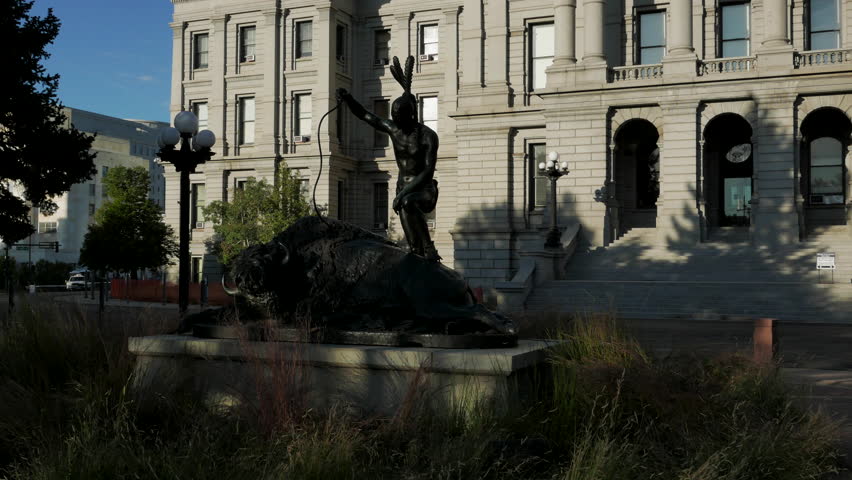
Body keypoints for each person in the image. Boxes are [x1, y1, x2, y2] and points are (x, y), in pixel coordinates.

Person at [336, 55, 441, 261]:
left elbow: (427, 171)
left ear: (410, 114)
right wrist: (348, 99)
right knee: (412, 247)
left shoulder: (428, 136)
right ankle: (419, 253)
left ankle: (430, 248)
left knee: (410, 203)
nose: (393, 119)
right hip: (402, 189)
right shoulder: (394, 129)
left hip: (423, 191)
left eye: (398, 116)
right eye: (393, 115)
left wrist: (404, 194)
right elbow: (367, 116)